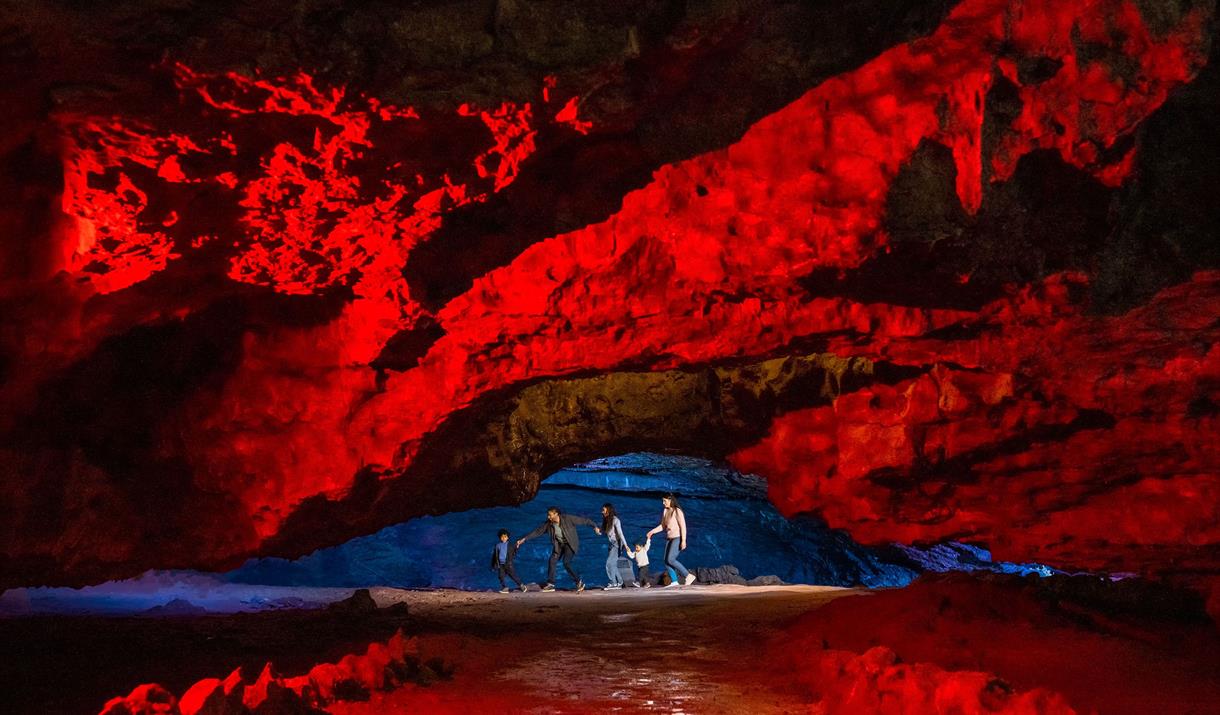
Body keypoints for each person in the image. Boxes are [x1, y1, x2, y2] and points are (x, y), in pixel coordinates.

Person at [517, 506, 600, 592]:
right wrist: (524, 539)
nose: (548, 517)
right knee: (552, 560)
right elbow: (537, 531)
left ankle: (579, 582)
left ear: (556, 514)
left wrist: (594, 526)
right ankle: (551, 584)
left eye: (550, 515)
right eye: (548, 515)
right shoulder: (548, 524)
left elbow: (584, 521)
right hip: (559, 545)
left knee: (566, 562)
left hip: (570, 544)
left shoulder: (567, 518)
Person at [646, 493, 696, 587]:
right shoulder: (665, 511)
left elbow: (683, 527)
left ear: (670, 500)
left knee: (671, 559)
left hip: (677, 538)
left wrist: (683, 540)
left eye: (664, 501)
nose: (663, 503)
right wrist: (652, 531)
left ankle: (688, 575)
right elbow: (662, 526)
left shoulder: (677, 511)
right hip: (669, 539)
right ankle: (674, 581)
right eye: (663, 501)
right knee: (666, 560)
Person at [600, 503, 631, 590]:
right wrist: (598, 530)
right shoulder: (606, 520)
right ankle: (620, 582)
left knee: (609, 564)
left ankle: (613, 582)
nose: (602, 512)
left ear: (608, 510)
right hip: (611, 544)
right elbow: (604, 532)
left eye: (603, 510)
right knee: (613, 564)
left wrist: (626, 545)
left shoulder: (616, 520)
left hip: (617, 544)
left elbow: (620, 534)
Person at [490, 528, 527, 593]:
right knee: (501, 576)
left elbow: (514, 550)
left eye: (505, 537)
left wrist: (517, 545)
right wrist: (493, 565)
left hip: (508, 564)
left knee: (513, 576)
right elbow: (494, 556)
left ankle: (522, 586)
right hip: (501, 565)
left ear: (507, 537)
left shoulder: (510, 545)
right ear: (500, 537)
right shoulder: (497, 545)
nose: (504, 538)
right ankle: (505, 588)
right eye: (502, 537)